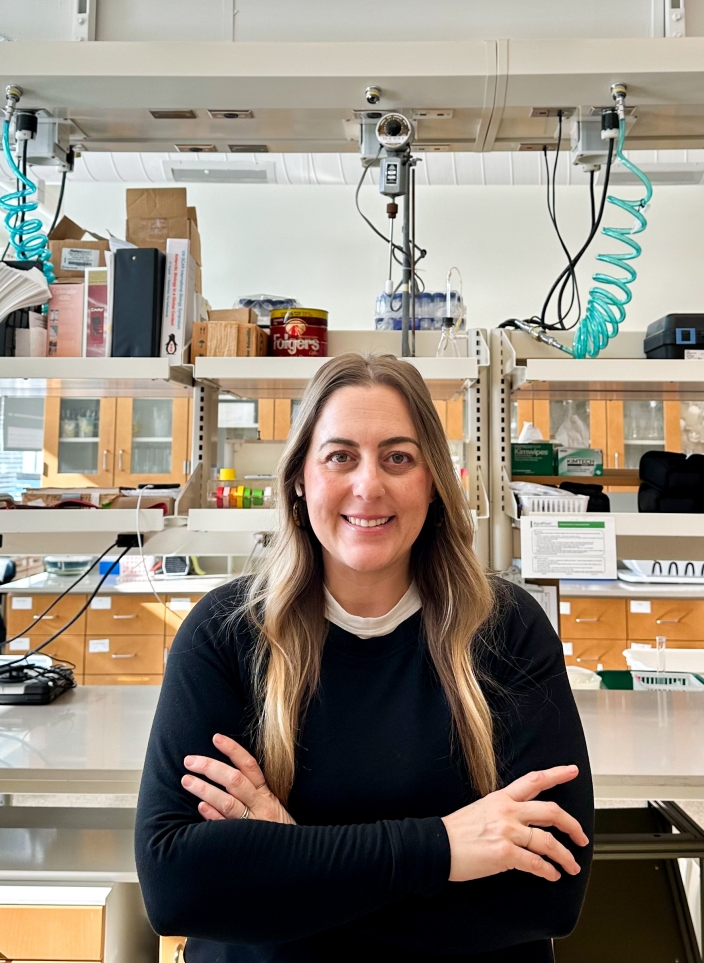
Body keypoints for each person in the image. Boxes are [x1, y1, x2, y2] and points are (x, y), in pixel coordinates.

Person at [136, 353, 594, 962]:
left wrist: (292, 866)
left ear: (433, 481)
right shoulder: (226, 634)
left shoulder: (505, 629)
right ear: (300, 476)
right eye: (340, 456)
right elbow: (176, 889)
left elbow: (546, 898)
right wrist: (444, 851)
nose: (368, 485)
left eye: (398, 457)